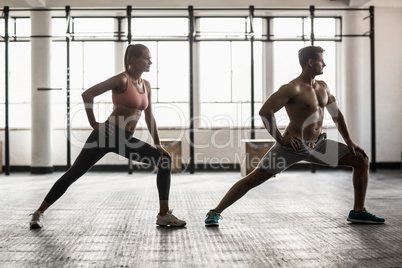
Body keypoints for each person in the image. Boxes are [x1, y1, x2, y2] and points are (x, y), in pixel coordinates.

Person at [205, 46, 384, 226]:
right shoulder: (292, 88)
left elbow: (336, 115)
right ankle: (215, 212)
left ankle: (358, 211)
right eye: (322, 60)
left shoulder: (323, 87)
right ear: (311, 62)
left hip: (319, 146)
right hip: (292, 147)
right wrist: (281, 139)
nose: (325, 64)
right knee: (255, 178)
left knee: (361, 160)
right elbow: (265, 111)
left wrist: (349, 142)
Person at [30, 44, 186, 228]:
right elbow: (88, 94)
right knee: (73, 174)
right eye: (146, 58)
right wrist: (94, 123)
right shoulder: (121, 80)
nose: (150, 61)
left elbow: (149, 116)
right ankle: (38, 213)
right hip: (107, 135)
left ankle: (163, 214)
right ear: (133, 60)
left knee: (164, 161)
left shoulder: (146, 86)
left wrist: (158, 144)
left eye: (150, 58)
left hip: (124, 138)